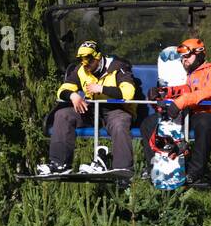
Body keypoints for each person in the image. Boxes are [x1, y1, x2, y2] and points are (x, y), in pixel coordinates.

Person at [38, 39, 138, 184]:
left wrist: (101, 89)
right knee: (63, 115)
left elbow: (129, 93)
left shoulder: (118, 67)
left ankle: (123, 170)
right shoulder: (81, 70)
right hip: (92, 109)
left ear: (98, 57)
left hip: (116, 109)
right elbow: (62, 90)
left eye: (89, 60)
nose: (86, 64)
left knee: (119, 124)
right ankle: (60, 164)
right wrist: (72, 95)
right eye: (81, 60)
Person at [141, 37, 211, 189]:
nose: (184, 60)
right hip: (188, 116)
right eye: (182, 57)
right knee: (148, 123)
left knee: (204, 123)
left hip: (209, 114)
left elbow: (208, 91)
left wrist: (181, 102)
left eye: (188, 56)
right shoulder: (187, 75)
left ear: (199, 54)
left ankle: (196, 172)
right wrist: (160, 93)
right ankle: (154, 166)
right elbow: (178, 91)